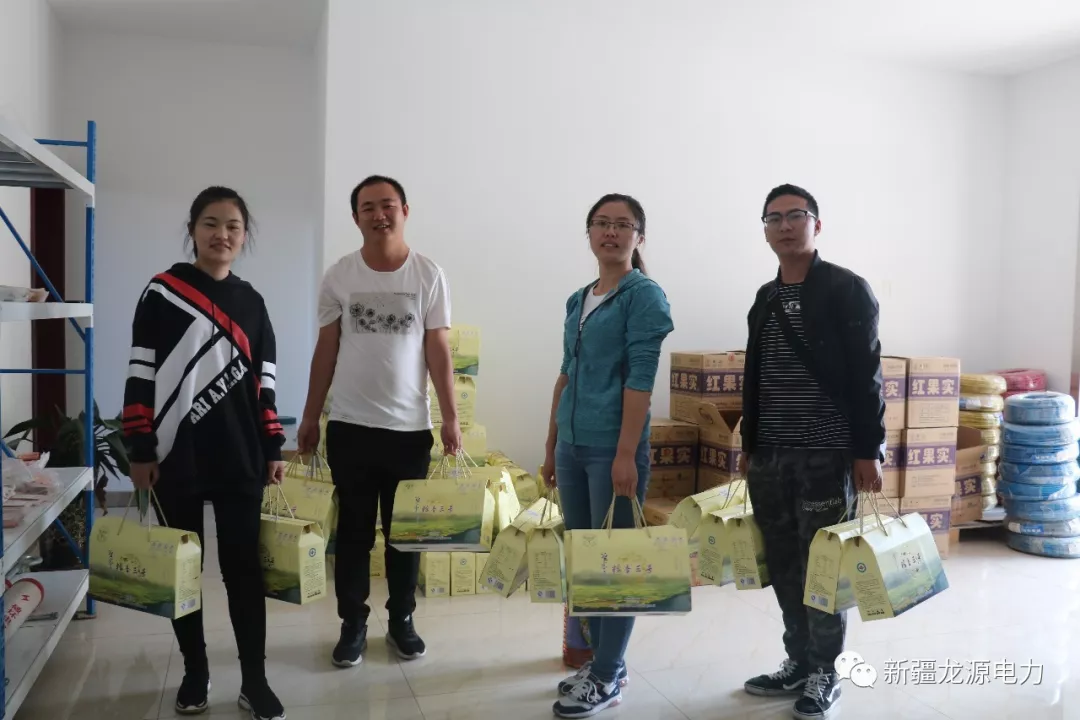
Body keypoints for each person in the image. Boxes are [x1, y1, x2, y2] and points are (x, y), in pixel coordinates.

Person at [122, 186, 286, 720]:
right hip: (176, 456)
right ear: (192, 229)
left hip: (240, 456)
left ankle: (255, 680)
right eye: (211, 223)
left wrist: (273, 446)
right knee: (183, 571)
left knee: (243, 572)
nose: (222, 234)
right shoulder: (162, 292)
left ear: (244, 235)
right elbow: (141, 371)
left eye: (233, 226)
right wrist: (140, 447)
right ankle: (196, 671)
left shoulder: (252, 302)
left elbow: (265, 383)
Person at [296, 175, 461, 669]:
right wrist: (310, 415)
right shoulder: (340, 275)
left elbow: (438, 350)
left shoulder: (428, 274)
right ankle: (352, 624)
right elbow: (326, 349)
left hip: (409, 431)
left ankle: (401, 621)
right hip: (351, 426)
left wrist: (450, 418)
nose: (378, 214)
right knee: (353, 535)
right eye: (368, 207)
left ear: (404, 211)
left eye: (387, 205)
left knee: (404, 535)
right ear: (356, 217)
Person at [740, 184, 885, 720]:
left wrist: (867, 448)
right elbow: (754, 376)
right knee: (782, 564)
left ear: (816, 225)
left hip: (826, 455)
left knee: (822, 567)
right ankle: (798, 661)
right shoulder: (765, 297)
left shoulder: (847, 289)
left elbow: (868, 374)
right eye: (773, 218)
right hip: (771, 456)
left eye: (795, 215)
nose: (784, 225)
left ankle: (826, 670)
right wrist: (750, 445)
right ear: (765, 230)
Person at [540, 194, 674, 719]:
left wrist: (625, 455)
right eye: (601, 223)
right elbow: (566, 374)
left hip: (612, 450)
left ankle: (610, 673)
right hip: (572, 447)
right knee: (585, 562)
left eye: (623, 224)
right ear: (589, 233)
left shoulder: (644, 296)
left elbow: (641, 381)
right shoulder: (579, 299)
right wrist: (551, 445)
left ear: (639, 237)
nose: (611, 232)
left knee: (613, 565)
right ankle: (600, 664)